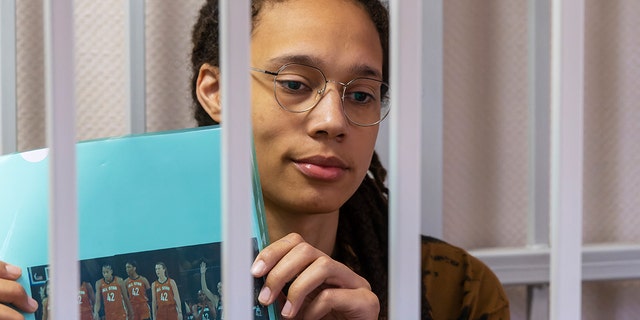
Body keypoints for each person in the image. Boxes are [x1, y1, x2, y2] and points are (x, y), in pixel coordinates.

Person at [0, 0, 509, 319]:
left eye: (361, 95)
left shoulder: (452, 290)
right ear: (215, 91)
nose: (332, 120)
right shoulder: (65, 271)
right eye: (294, 84)